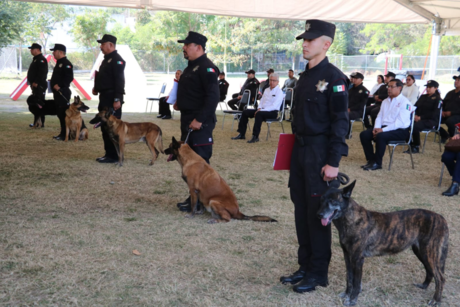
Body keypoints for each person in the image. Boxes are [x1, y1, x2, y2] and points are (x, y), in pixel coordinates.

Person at [280, 19, 349, 294]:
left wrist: (333, 162)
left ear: (326, 44)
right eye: (304, 39)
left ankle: (318, 272)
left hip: (320, 153)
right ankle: (305, 265)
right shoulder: (305, 77)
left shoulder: (334, 78)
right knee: (301, 209)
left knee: (318, 213)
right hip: (300, 150)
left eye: (311, 39)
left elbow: (340, 122)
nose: (305, 44)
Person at [173, 31, 220, 212]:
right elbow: (192, 91)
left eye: (187, 45)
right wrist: (180, 103)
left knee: (200, 162)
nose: (184, 48)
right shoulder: (191, 67)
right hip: (188, 120)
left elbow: (213, 97)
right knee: (190, 162)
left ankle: (201, 200)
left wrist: (200, 119)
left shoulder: (207, 67)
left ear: (198, 47)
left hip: (200, 122)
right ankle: (194, 197)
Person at [359, 79, 412, 170]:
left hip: (400, 130)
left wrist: (382, 130)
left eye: (392, 86)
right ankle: (371, 160)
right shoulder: (385, 101)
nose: (389, 89)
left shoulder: (405, 102)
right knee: (364, 134)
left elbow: (400, 122)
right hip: (384, 128)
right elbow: (379, 117)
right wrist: (376, 128)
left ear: (399, 88)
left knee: (381, 136)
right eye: (388, 86)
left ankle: (377, 163)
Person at [92, 34, 126, 163]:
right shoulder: (107, 59)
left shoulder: (117, 60)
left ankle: (115, 155)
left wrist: (117, 99)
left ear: (110, 45)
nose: (100, 46)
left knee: (113, 128)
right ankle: (109, 154)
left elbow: (119, 81)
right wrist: (97, 88)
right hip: (104, 96)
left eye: (103, 44)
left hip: (112, 97)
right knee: (105, 127)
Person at [231, 73, 283, 143]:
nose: (272, 82)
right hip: (262, 110)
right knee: (245, 112)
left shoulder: (279, 92)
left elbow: (274, 106)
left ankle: (255, 136)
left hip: (272, 112)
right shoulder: (266, 90)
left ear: (278, 82)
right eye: (270, 80)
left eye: (274, 81)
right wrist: (259, 108)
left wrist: (261, 110)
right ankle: (241, 134)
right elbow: (261, 101)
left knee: (259, 114)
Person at [404, 80, 441, 154]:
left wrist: (421, 118)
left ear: (435, 88)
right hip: (418, 118)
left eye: (430, 87)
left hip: (430, 120)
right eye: (427, 87)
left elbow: (434, 113)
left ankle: (416, 146)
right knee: (404, 125)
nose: (428, 89)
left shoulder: (438, 99)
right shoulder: (423, 96)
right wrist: (415, 115)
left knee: (415, 127)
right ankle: (410, 144)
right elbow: (415, 107)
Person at [50, 44, 73, 141]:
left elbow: (69, 77)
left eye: (54, 51)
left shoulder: (66, 63)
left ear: (60, 52)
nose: (53, 53)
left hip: (62, 92)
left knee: (63, 114)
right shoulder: (59, 62)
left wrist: (60, 86)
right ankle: (63, 133)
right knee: (60, 113)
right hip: (57, 92)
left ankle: (66, 134)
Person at [27, 43, 48, 128]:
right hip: (35, 85)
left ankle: (41, 122)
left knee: (40, 104)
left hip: (39, 85)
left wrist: (36, 81)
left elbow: (42, 72)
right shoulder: (36, 59)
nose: (31, 50)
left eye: (32, 49)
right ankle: (37, 122)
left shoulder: (41, 59)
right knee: (36, 104)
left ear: (37, 50)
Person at [347, 72, 369, 138]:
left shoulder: (364, 91)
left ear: (361, 80)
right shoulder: (350, 90)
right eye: (352, 78)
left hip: (358, 111)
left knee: (345, 114)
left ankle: (347, 133)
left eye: (356, 78)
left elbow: (362, 104)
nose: (353, 79)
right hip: (347, 109)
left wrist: (350, 109)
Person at [439, 75, 460, 142]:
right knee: (433, 119)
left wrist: (451, 113)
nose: (455, 82)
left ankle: (454, 138)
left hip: (457, 114)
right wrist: (442, 111)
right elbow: (443, 103)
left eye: (458, 80)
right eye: (455, 80)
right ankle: (444, 134)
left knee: (450, 121)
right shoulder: (450, 93)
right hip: (445, 114)